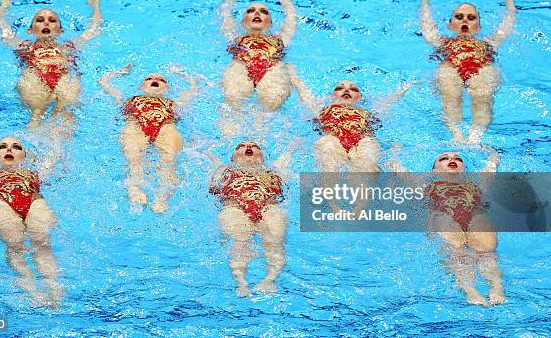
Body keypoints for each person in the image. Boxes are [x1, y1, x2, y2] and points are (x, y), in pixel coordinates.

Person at [0, 118, 63, 305]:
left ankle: (54, 287)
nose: (9, 149)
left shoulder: (35, 173)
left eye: (16, 147)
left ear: (24, 156)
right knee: (16, 244)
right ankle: (29, 285)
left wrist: (54, 137)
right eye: (3, 146)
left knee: (42, 242)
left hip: (33, 201)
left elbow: (54, 157)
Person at [388, 148, 505, 306]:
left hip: (475, 215)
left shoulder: (476, 181)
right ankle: (469, 289)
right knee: (457, 251)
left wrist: (491, 154)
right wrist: (394, 152)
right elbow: (397, 168)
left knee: (486, 252)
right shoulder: (423, 183)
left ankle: (496, 287)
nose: (453, 159)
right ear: (434, 169)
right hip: (443, 216)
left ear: (463, 167)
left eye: (458, 158)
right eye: (444, 158)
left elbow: (492, 165)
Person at [0, 0, 103, 136]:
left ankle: (62, 153)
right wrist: (4, 5)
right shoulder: (25, 46)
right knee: (36, 115)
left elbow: (94, 29)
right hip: (35, 81)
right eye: (40, 20)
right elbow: (4, 29)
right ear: (30, 31)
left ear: (60, 31)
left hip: (63, 82)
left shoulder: (69, 47)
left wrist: (95, 6)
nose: (46, 23)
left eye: (52, 20)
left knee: (65, 115)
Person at [418, 0, 520, 143]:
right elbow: (427, 26)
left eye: (471, 18)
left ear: (479, 27)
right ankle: (456, 133)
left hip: (481, 67)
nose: (465, 20)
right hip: (451, 67)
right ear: (449, 25)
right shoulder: (442, 42)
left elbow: (506, 27)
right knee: (447, 81)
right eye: (459, 17)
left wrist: (509, 2)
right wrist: (425, 2)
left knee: (484, 85)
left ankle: (475, 136)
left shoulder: (488, 43)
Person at [99, 64, 197, 213]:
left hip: (166, 126)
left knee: (169, 161)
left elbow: (193, 90)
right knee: (134, 158)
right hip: (135, 125)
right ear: (141, 86)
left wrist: (184, 75)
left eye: (161, 79)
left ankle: (161, 198)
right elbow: (105, 84)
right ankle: (134, 190)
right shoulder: (130, 100)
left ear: (167, 88)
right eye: (149, 78)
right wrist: (119, 72)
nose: (155, 80)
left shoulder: (174, 103)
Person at [209, 141, 293, 297]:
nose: (248, 148)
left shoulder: (273, 171)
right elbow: (211, 172)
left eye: (256, 147)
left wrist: (293, 145)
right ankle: (241, 283)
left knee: (274, 239)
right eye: (240, 147)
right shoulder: (224, 170)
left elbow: (287, 156)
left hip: (269, 208)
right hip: (234, 208)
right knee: (239, 240)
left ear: (262, 156)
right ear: (232, 158)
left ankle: (269, 280)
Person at [289, 66, 410, 173]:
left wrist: (403, 89)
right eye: (339, 88)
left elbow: (388, 102)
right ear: (332, 96)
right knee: (328, 146)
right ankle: (330, 195)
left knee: (367, 153)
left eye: (354, 89)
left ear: (361, 98)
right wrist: (293, 76)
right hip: (332, 140)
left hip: (362, 142)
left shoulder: (367, 113)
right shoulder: (323, 109)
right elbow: (305, 95)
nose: (346, 90)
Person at [218, 0, 298, 136]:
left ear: (271, 22)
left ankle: (262, 139)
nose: (257, 13)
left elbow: (291, 19)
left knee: (269, 110)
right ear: (242, 21)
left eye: (263, 11)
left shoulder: (280, 38)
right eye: (251, 10)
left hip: (272, 68)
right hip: (240, 67)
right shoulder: (235, 36)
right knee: (232, 106)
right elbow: (225, 14)